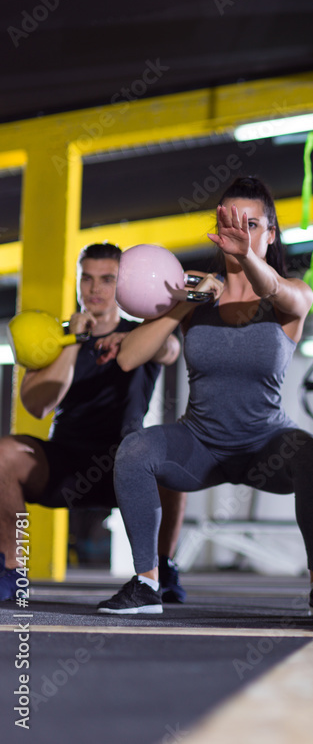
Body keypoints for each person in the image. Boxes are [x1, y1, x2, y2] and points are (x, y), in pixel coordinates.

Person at [96, 177, 313, 615]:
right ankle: (147, 582)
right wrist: (186, 303)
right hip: (200, 446)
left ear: (271, 234)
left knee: (309, 451)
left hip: (265, 446)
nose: (239, 232)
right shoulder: (196, 296)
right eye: (231, 222)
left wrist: (246, 257)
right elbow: (129, 358)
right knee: (135, 450)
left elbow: (274, 289)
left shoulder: (292, 296)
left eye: (251, 224)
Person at [0, 243, 187, 603]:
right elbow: (38, 405)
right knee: (4, 454)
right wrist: (74, 340)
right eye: (87, 279)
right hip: (65, 462)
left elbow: (170, 351)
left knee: (174, 456)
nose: (95, 289)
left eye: (106, 280)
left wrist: (132, 340)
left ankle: (161, 568)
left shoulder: (143, 332)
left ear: (122, 285)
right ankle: (11, 570)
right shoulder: (56, 337)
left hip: (126, 462)